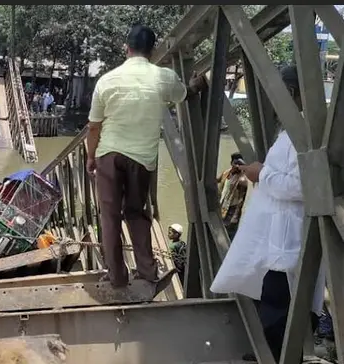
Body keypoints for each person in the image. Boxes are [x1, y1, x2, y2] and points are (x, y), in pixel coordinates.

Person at [210, 65, 325, 363]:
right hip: (279, 234)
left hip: (288, 237)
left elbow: (301, 187)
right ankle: (273, 353)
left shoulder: (303, 133)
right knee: (274, 298)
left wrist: (262, 174)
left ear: (289, 93)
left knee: (281, 302)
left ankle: (279, 356)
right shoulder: (296, 129)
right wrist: (262, 171)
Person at [85, 24, 207, 288]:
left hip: (109, 154)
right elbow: (185, 94)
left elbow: (94, 126)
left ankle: (117, 277)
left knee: (109, 216)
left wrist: (91, 157)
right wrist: (196, 85)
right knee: (136, 213)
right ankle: (147, 271)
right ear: (152, 51)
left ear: (126, 48)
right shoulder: (164, 77)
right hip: (142, 160)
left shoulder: (106, 80)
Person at [217, 152, 249, 240]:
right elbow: (217, 180)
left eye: (240, 164)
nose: (237, 166)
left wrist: (235, 216)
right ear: (231, 163)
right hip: (221, 207)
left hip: (232, 210)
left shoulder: (242, 179)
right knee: (220, 233)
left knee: (229, 235)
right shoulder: (226, 173)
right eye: (235, 163)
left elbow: (241, 200)